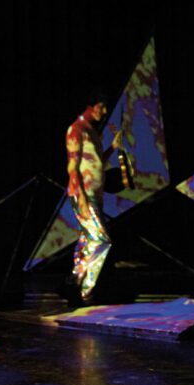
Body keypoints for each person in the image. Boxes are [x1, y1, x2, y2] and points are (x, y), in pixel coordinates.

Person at [65, 94, 122, 304]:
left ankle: (74, 284)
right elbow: (73, 167)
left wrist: (113, 148)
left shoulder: (92, 132)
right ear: (90, 105)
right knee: (101, 239)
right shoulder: (76, 129)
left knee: (87, 240)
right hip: (84, 194)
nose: (104, 111)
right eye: (102, 106)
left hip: (94, 195)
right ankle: (85, 291)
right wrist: (81, 197)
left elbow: (96, 160)